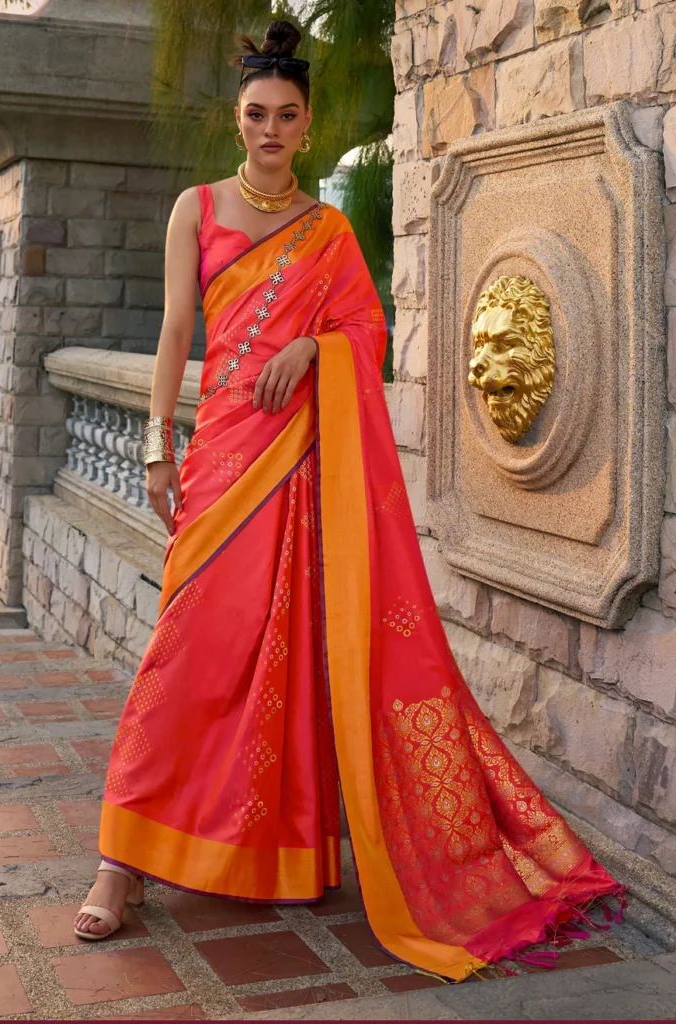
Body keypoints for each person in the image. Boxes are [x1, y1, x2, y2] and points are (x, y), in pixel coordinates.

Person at [74, 19, 623, 981]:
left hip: (295, 468)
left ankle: (275, 849)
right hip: (219, 464)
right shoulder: (195, 210)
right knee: (185, 652)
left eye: (287, 116)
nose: (270, 131)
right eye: (255, 115)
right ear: (237, 120)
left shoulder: (327, 235)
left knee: (281, 660)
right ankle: (120, 863)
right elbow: (172, 334)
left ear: (309, 125)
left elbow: (368, 332)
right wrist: (159, 451)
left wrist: (312, 350)